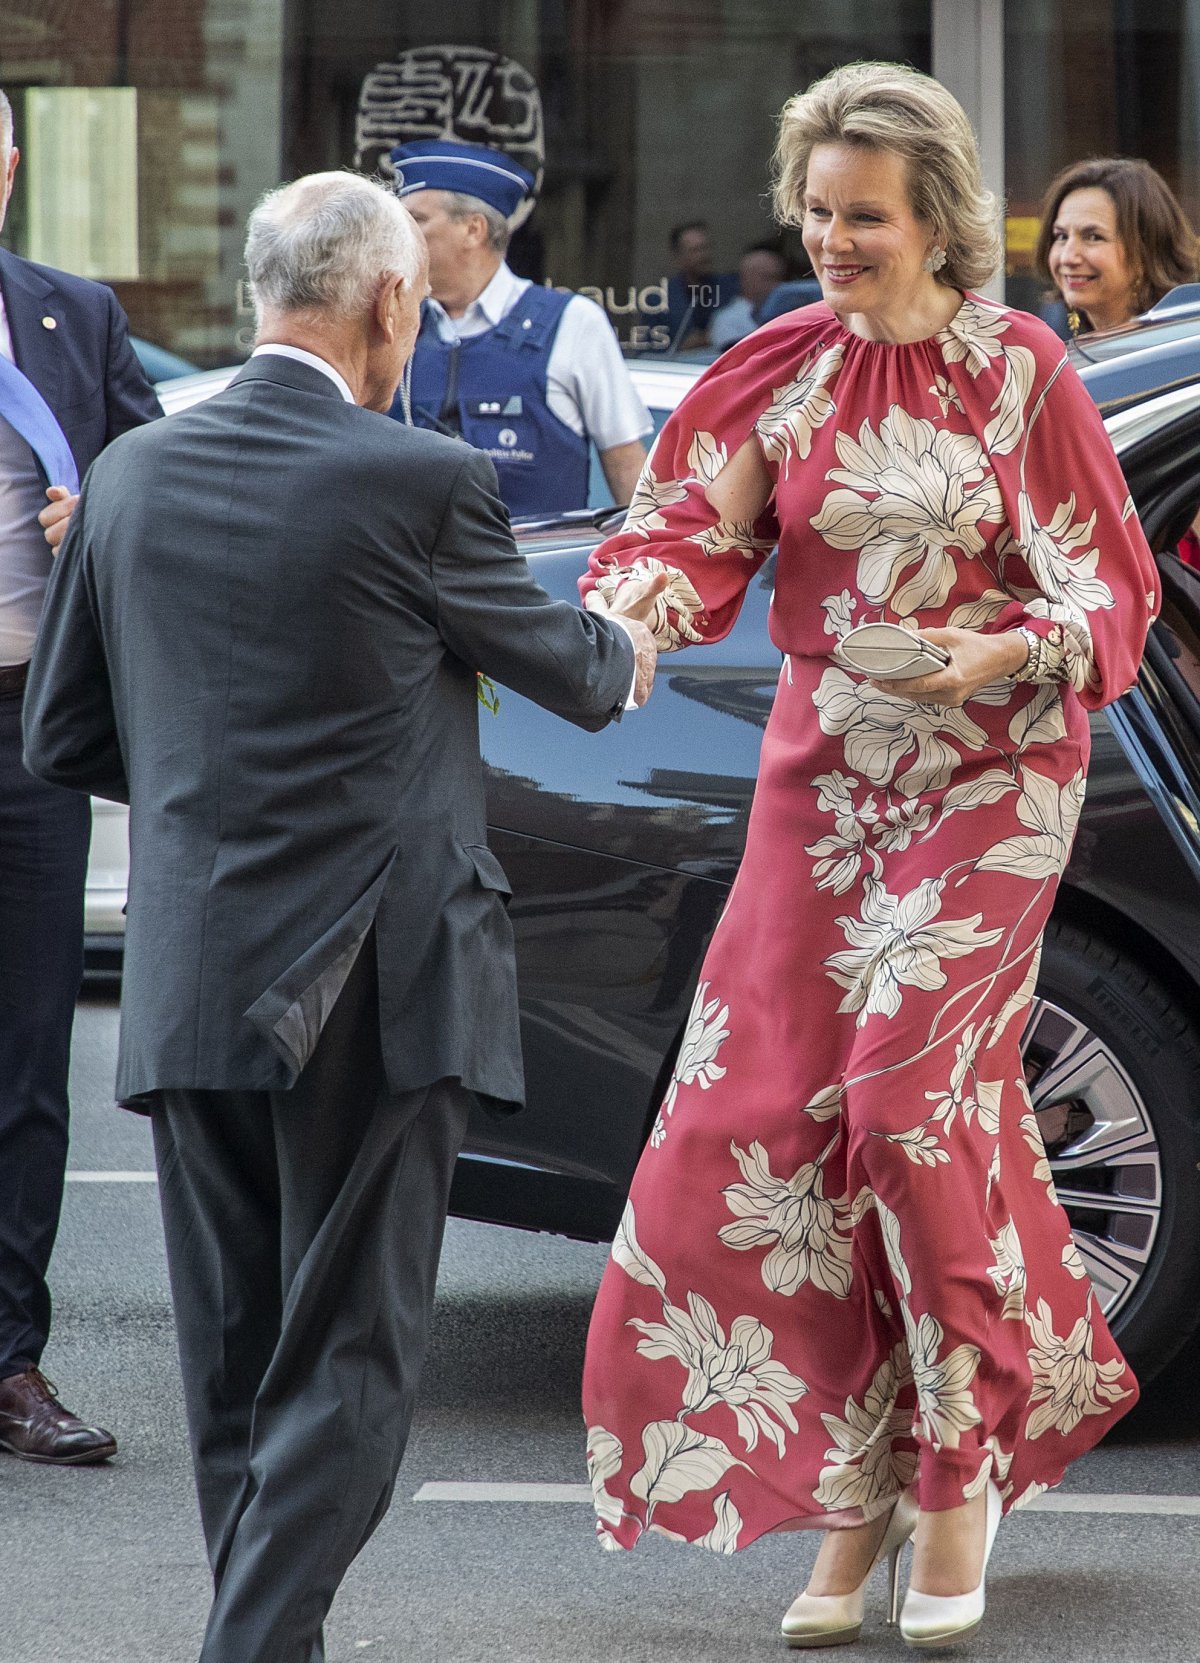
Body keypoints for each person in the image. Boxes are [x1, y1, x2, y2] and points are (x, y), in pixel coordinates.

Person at [22, 171, 661, 1663]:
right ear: (389, 303)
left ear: (260, 295)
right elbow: (575, 670)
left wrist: (206, 802)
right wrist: (636, 638)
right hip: (379, 976)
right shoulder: (416, 477)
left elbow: (65, 740)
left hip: (192, 963)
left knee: (238, 1360)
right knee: (356, 1362)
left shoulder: (126, 477)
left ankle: (269, 1639)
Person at [580, 61, 1157, 1653]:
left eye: (865, 218)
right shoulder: (781, 367)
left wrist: (992, 660)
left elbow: (1111, 597)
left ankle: (953, 1472)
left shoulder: (1022, 371)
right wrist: (623, 613)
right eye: (817, 212)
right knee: (774, 1129)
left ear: (937, 222)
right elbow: (680, 542)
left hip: (991, 776)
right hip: (823, 781)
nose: (831, 240)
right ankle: (857, 1489)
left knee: (907, 1107)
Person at [0, 87, 160, 1467]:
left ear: (5, 171)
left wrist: (98, 490)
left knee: (27, 1059)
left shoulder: (71, 313)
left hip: (27, 731)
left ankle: (10, 1358)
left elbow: (161, 469)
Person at [386, 138, 651, 516]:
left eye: (417, 221)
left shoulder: (573, 323)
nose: (402, 237)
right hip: (406, 572)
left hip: (533, 569)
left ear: (473, 229)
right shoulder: (394, 328)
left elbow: (626, 464)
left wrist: (648, 562)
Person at [1036, 155, 1199, 335]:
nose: (1068, 257)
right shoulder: (1054, 332)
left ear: (1146, 251)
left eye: (1093, 237)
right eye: (1061, 236)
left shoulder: (1182, 346)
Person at [652, 219, 736, 351]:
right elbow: (648, 353)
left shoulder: (731, 288)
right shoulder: (658, 298)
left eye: (705, 248)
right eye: (695, 250)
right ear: (678, 258)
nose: (704, 255)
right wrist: (681, 348)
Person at [710, 244, 787, 348]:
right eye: (767, 277)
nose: (776, 284)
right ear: (746, 279)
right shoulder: (727, 320)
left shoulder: (787, 310)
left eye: (778, 277)